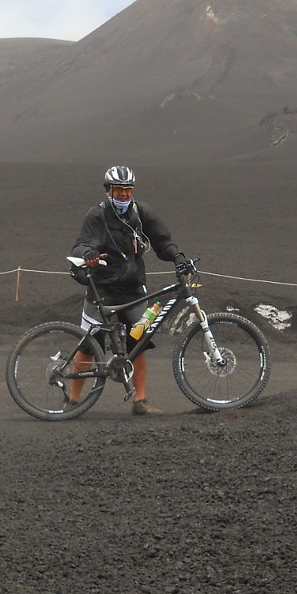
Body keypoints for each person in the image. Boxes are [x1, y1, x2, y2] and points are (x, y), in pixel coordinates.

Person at [68, 165, 188, 415]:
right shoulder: (97, 215)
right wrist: (88, 254)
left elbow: (162, 242)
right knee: (88, 346)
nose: (123, 194)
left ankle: (140, 401)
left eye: (127, 189)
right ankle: (72, 401)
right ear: (108, 190)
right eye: (118, 190)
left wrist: (177, 256)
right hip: (101, 289)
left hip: (134, 291)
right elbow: (81, 245)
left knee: (139, 344)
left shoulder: (142, 212)